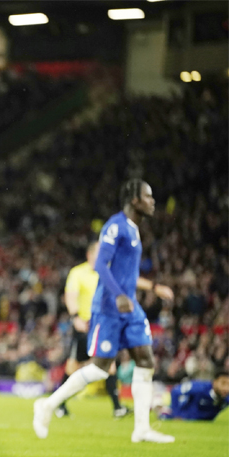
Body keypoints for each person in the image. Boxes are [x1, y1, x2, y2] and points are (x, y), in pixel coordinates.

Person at [33, 179, 176, 443]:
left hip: (130, 308)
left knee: (146, 360)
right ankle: (47, 405)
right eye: (148, 196)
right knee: (100, 369)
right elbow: (100, 264)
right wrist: (119, 295)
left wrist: (153, 287)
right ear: (134, 200)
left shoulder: (134, 229)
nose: (152, 201)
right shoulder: (115, 225)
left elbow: (128, 275)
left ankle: (142, 428)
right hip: (109, 308)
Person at [55, 241, 130, 419]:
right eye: (100, 252)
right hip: (84, 326)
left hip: (103, 326)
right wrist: (75, 317)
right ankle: (58, 404)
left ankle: (117, 407)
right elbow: (71, 296)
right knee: (73, 367)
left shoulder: (108, 272)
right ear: (90, 255)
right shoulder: (78, 272)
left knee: (110, 365)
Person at [157, 371, 229, 421]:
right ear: (215, 382)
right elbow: (175, 391)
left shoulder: (226, 397)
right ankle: (162, 407)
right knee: (164, 416)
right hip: (186, 416)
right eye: (223, 383)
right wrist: (176, 415)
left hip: (203, 420)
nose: (226, 388)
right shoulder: (200, 387)